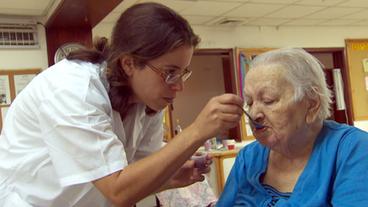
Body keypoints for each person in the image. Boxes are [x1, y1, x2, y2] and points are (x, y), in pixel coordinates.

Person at [0, 3, 243, 207]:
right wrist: (197, 132)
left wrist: (170, 177)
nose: (178, 86)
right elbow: (118, 189)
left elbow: (136, 171)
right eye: (170, 72)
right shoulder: (74, 90)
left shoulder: (147, 102)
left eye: (182, 73)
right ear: (128, 64)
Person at [216, 48, 368, 206]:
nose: (254, 114)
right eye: (249, 102)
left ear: (312, 105)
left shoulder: (354, 149)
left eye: (268, 100)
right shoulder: (249, 157)